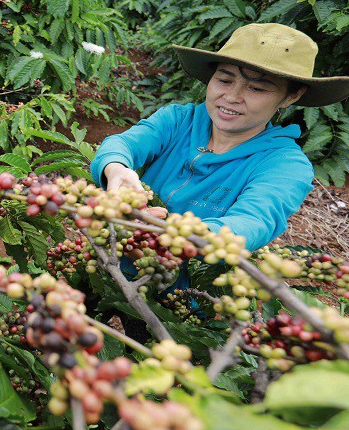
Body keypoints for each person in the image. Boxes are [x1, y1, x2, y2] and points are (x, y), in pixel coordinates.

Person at [90, 23, 349, 288]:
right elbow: (122, 145)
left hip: (189, 300)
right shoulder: (178, 120)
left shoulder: (286, 166)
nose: (232, 96)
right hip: (110, 258)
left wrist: (180, 235)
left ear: (291, 96)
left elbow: (253, 222)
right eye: (224, 80)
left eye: (257, 89)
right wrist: (117, 169)